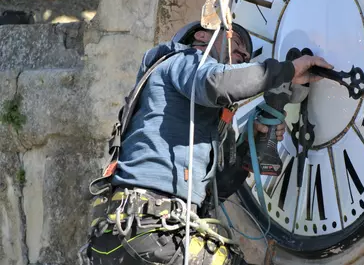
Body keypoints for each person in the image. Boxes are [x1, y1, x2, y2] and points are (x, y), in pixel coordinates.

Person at [86, 21, 332, 264]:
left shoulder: (198, 123)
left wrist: (251, 142)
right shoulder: (183, 60)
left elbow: (216, 190)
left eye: (245, 55)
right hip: (150, 228)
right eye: (236, 43)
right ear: (203, 36)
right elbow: (217, 83)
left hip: (130, 236)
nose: (243, 54)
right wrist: (288, 70)